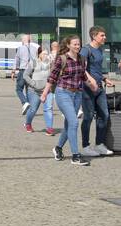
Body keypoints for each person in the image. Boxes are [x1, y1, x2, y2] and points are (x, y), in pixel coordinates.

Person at [41, 34, 99, 166]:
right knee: (74, 122)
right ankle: (75, 156)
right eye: (75, 44)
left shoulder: (81, 58)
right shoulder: (62, 59)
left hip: (77, 94)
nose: (77, 46)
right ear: (68, 45)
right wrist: (44, 94)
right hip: (63, 94)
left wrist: (91, 84)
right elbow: (52, 77)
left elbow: (82, 75)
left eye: (79, 44)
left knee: (69, 125)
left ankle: (58, 148)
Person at [79, 26, 113, 157]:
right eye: (102, 35)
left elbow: (97, 69)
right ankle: (85, 146)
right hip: (87, 88)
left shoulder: (99, 50)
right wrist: (90, 80)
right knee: (87, 117)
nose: (104, 37)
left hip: (99, 87)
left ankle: (99, 144)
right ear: (94, 36)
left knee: (104, 115)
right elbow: (82, 68)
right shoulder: (85, 50)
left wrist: (104, 78)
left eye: (104, 35)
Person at [24, 43, 56, 136]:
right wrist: (33, 83)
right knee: (33, 109)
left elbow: (54, 75)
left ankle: (49, 128)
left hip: (47, 90)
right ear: (39, 54)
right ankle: (28, 123)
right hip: (34, 91)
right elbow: (25, 75)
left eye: (47, 54)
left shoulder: (50, 64)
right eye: (43, 53)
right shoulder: (33, 62)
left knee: (48, 109)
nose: (45, 55)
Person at [13, 34, 33, 114]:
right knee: (28, 89)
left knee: (18, 89)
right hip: (31, 71)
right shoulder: (34, 49)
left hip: (23, 71)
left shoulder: (20, 48)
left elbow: (16, 60)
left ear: (23, 41)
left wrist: (13, 71)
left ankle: (25, 103)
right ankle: (29, 109)